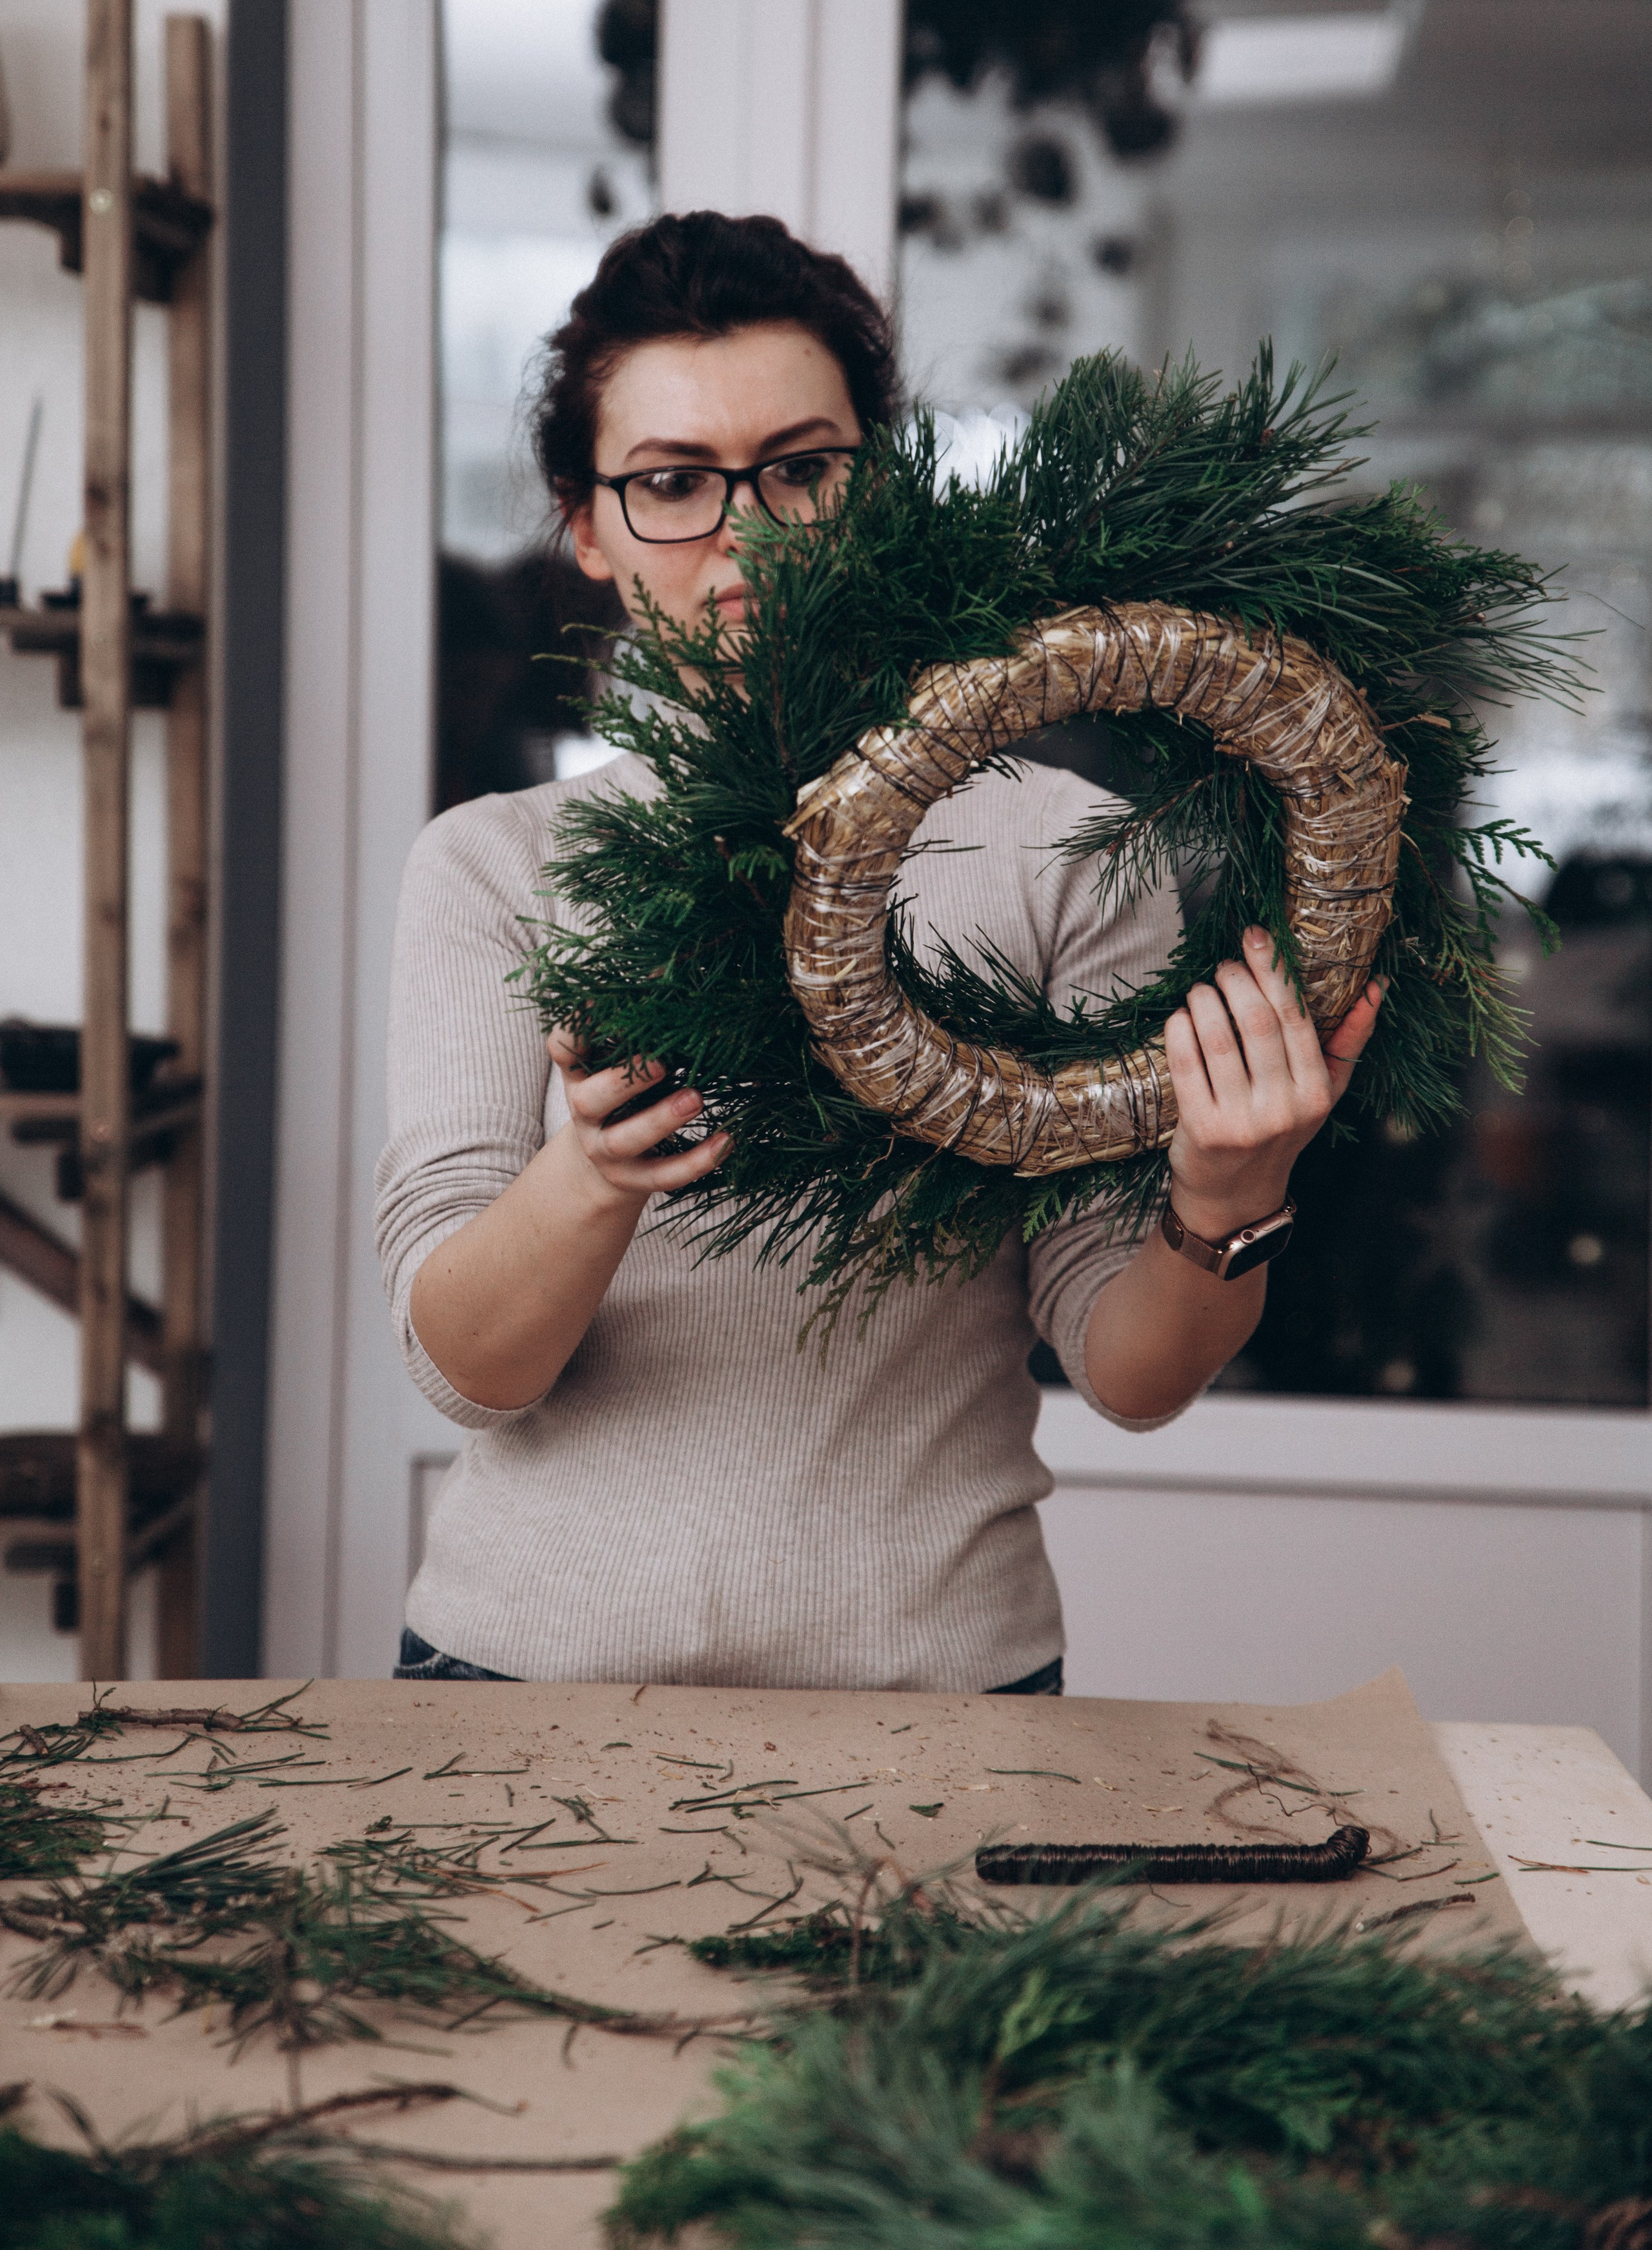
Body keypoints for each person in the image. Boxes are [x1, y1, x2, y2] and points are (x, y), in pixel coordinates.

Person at [376, 210, 1381, 1691]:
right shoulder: (492, 867)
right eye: (670, 483)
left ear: (881, 486)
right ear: (584, 527)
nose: (749, 531)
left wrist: (1227, 1196)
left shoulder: (1064, 854)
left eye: (802, 468)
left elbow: (1131, 1372)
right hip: (519, 1691)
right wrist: (589, 1177)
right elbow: (461, 1366)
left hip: (939, 1701)